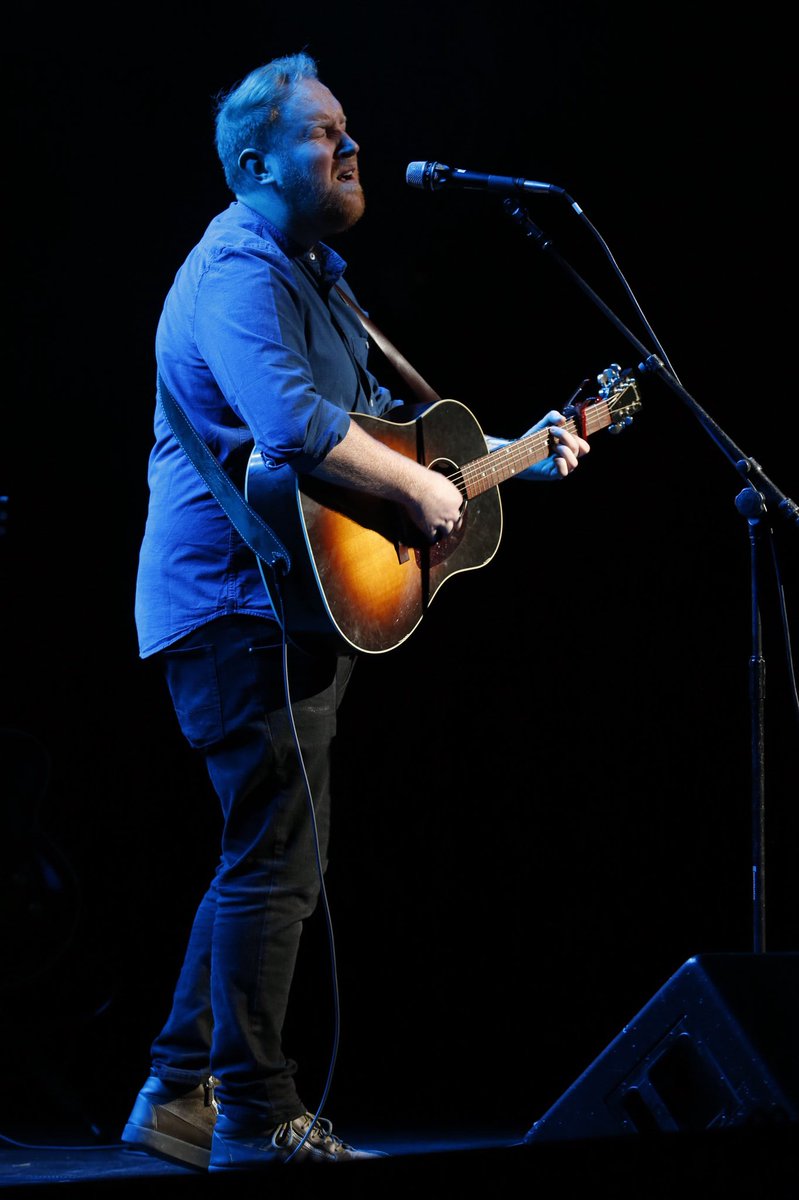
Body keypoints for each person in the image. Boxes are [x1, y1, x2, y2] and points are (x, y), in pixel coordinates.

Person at [121, 50, 590, 1172]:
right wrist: (424, 496)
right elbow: (291, 427)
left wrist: (516, 457)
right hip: (236, 602)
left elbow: (386, 436)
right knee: (277, 860)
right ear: (254, 165)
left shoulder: (317, 278)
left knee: (266, 853)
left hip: (284, 604)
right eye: (323, 131)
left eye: (346, 127)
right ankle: (256, 1117)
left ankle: (177, 1093)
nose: (351, 145)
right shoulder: (237, 269)